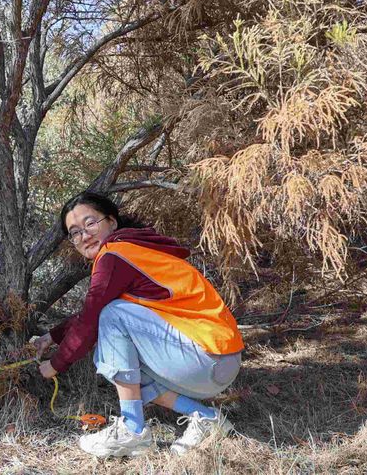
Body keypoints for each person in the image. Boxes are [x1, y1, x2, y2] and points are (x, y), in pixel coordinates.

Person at [33, 191, 244, 458]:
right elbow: (90, 313)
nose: (84, 235)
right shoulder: (132, 250)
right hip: (218, 362)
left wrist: (54, 365)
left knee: (111, 318)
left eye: (90, 223)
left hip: (205, 358)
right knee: (115, 345)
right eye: (74, 232)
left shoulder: (114, 255)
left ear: (111, 222)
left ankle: (132, 432)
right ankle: (205, 417)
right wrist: (51, 337)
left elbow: (92, 319)